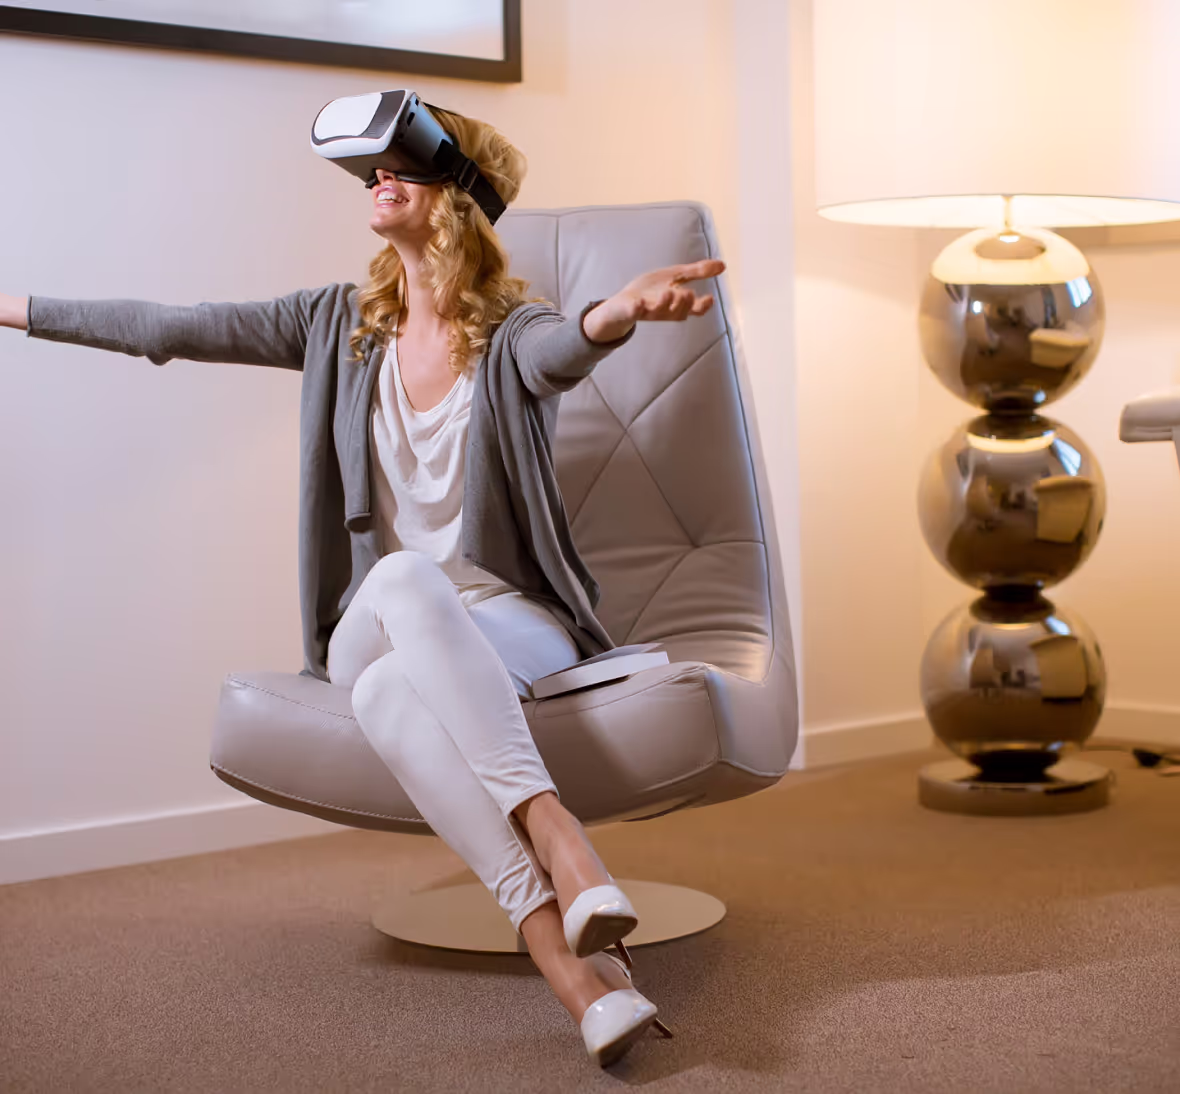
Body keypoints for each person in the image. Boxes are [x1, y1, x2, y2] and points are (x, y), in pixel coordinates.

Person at [0, 101, 724, 1068]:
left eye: (401, 169)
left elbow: (560, 353)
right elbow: (175, 328)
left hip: (508, 623)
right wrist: (15, 308)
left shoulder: (512, 331)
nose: (377, 183)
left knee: (391, 689)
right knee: (402, 580)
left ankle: (578, 978)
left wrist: (616, 315)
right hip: (376, 618)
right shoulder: (333, 323)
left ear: (459, 199)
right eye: (369, 172)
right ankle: (566, 847)